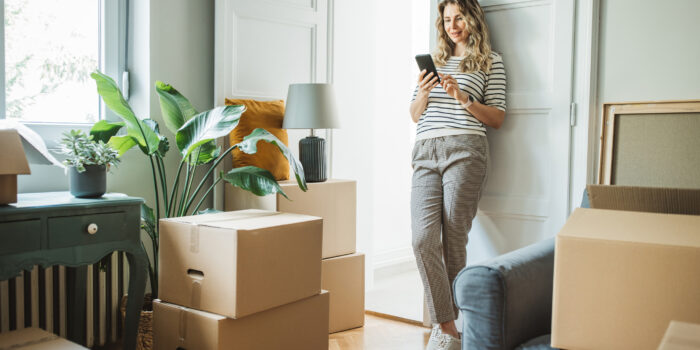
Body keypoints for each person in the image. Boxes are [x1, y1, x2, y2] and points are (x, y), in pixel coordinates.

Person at [409, 0, 506, 349]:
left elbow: (497, 118)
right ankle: (447, 324)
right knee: (422, 238)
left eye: (459, 17)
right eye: (447, 19)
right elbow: (415, 114)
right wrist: (423, 94)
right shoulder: (433, 63)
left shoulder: (489, 61)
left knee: (453, 238)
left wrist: (463, 97)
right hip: (425, 152)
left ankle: (451, 329)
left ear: (472, 18)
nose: (453, 25)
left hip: (466, 150)